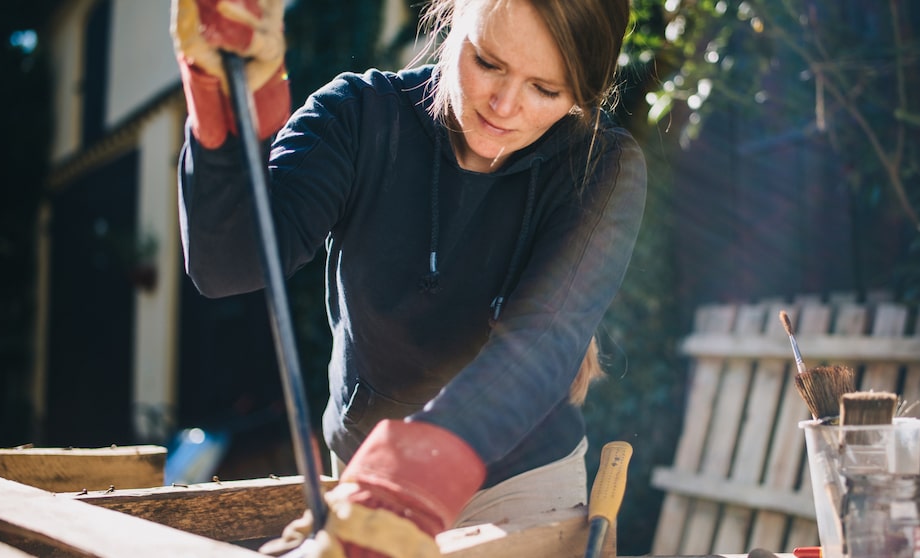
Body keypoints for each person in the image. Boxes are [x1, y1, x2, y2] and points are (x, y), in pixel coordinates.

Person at [170, 0, 646, 555]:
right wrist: (221, 109)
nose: (505, 105)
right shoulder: (358, 115)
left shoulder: (602, 167)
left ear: (583, 94)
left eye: (546, 89)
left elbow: (540, 345)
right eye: (488, 62)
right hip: (366, 472)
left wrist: (406, 479)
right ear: (452, 24)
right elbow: (228, 263)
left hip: (520, 487)